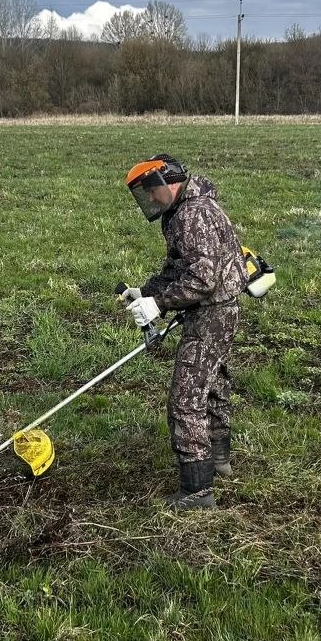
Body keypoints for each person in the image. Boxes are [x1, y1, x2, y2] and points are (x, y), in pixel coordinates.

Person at [122, 155, 247, 510]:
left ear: (168, 183)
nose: (151, 200)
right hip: (219, 310)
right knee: (215, 383)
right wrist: (145, 293)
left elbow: (202, 280)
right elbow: (179, 266)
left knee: (186, 397)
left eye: (152, 192)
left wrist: (159, 305)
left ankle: (197, 490)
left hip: (212, 313)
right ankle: (219, 458)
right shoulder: (184, 211)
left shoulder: (193, 215)